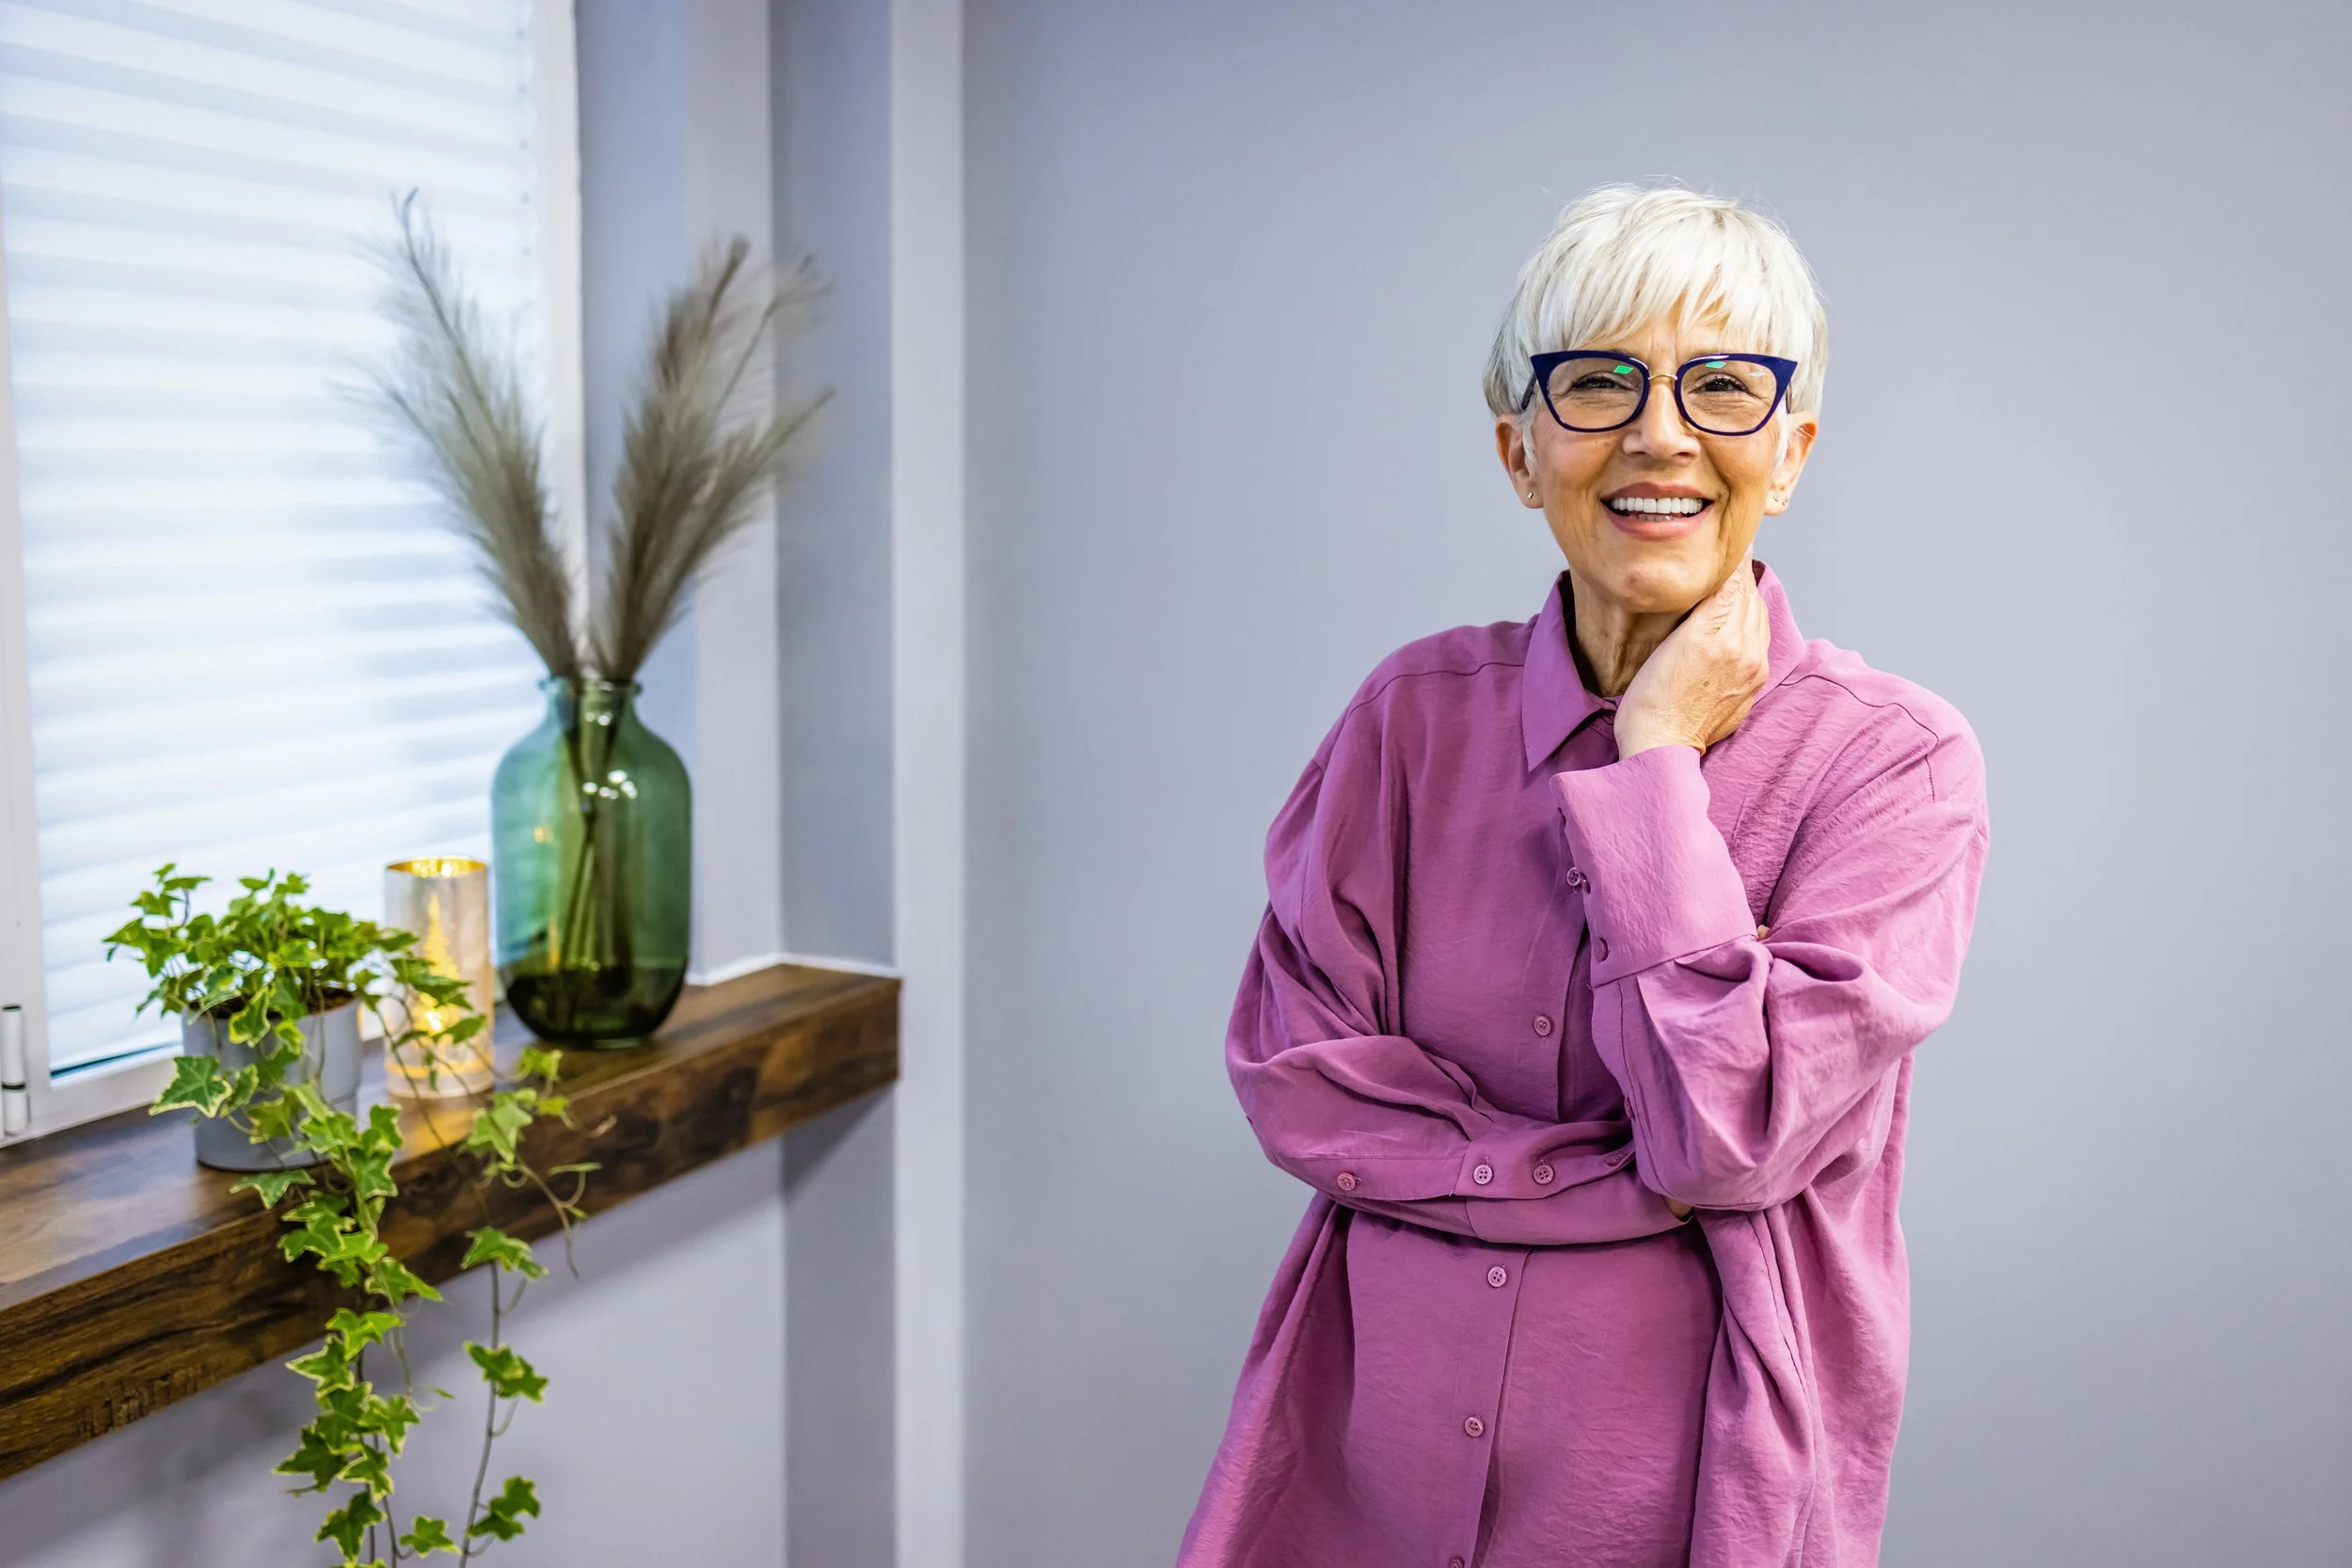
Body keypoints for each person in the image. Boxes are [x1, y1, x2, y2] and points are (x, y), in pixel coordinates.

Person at [1177, 184, 1990, 1568]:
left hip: (1682, 1505)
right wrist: (1610, 1186)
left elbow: (1722, 1138)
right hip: (1359, 1482)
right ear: (1521, 449)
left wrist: (1654, 760)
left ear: (1789, 451)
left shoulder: (1896, 765)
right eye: (1600, 382)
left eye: (1722, 387)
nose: (1660, 433)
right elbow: (1297, 1079)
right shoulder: (1409, 719)